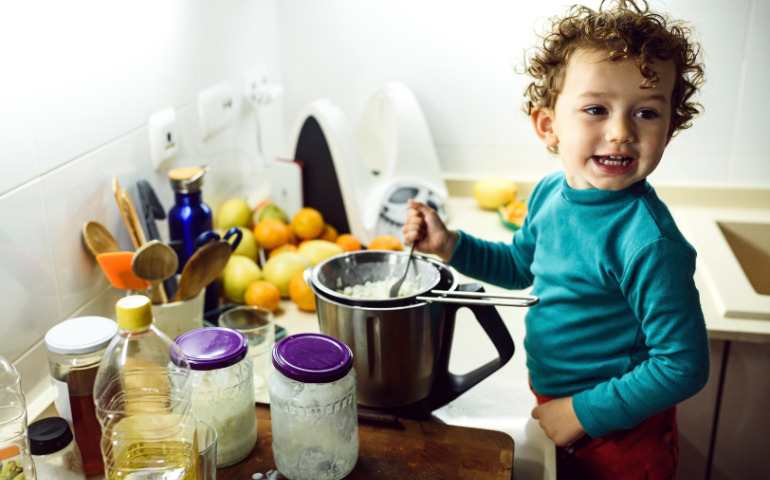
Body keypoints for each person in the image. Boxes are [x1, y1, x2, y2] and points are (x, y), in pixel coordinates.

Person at [402, 1, 710, 478]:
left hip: (621, 436)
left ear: (669, 129)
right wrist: (451, 246)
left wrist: (580, 413)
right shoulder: (550, 193)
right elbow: (520, 265)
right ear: (548, 126)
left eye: (647, 112)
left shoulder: (650, 244)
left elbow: (682, 365)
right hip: (561, 407)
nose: (621, 132)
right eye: (595, 109)